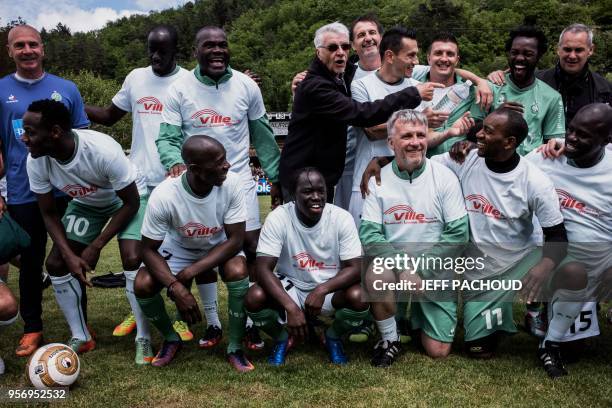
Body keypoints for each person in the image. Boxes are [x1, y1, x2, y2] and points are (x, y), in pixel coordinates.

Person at [156, 26, 281, 350]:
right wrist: (175, 162)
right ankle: (213, 323)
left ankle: (251, 322)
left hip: (238, 183)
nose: (217, 50)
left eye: (222, 45)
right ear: (195, 51)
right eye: (209, 45)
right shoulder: (179, 89)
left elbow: (264, 136)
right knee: (205, 249)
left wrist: (277, 176)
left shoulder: (246, 86)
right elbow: (168, 136)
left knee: (252, 249)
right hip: (199, 183)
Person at [85, 25, 195, 344]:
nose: (155, 55)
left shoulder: (188, 81)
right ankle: (140, 309)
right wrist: (72, 106)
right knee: (132, 255)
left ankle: (177, 317)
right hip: (138, 182)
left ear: (177, 50)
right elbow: (107, 116)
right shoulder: (135, 78)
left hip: (176, 182)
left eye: (162, 50)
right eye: (151, 49)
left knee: (176, 253)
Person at [432, 108, 567, 358]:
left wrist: (544, 266)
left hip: (518, 260)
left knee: (565, 268)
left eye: (488, 132)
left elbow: (558, 236)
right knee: (477, 349)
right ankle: (495, 311)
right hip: (480, 268)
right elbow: (422, 165)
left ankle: (541, 310)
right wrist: (383, 161)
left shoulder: (534, 181)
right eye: (482, 128)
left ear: (509, 142)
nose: (479, 134)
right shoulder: (467, 157)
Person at [23, 99, 148, 359]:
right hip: (87, 205)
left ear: (55, 132)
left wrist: (96, 245)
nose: (24, 138)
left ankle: (144, 338)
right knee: (57, 263)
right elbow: (48, 212)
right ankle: (82, 336)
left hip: (127, 199)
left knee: (132, 257)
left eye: (31, 132)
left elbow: (131, 202)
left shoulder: (101, 150)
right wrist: (69, 254)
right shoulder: (36, 160)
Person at [0, 25, 90, 357]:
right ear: (10, 51)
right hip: (23, 191)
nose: (27, 50)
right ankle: (32, 328)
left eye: (33, 44)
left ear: (43, 48)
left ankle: (81, 325)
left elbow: (82, 140)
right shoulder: (0, 92)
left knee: (72, 256)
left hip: (67, 190)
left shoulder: (66, 89)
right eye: (19, 45)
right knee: (32, 262)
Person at [279, 21, 442, 203]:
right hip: (304, 178)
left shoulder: (345, 72)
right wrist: (413, 95)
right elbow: (362, 114)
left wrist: (478, 80)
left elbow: (440, 67)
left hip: (327, 174)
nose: (340, 52)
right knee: (306, 229)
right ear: (318, 52)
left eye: (344, 46)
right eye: (332, 47)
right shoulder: (316, 86)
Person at [134, 136, 253, 372]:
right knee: (142, 282)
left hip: (219, 246)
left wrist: (190, 272)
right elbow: (146, 249)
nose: (227, 165)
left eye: (225, 158)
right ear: (196, 169)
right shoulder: (165, 194)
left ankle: (235, 347)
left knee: (238, 269)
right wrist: (175, 286)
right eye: (219, 162)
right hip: (179, 248)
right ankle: (171, 338)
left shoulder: (232, 182)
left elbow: (236, 240)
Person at [360, 109, 469, 366]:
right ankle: (390, 339)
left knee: (438, 351)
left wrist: (420, 269)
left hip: (434, 268)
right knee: (377, 273)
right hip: (397, 269)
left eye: (421, 135)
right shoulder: (378, 180)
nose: (415, 142)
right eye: (407, 136)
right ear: (391, 143)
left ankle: (413, 319)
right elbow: (370, 235)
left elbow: (458, 234)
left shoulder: (444, 177)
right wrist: (404, 267)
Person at [245, 167, 367, 365]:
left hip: (328, 288)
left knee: (360, 296)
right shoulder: (278, 218)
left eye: (321, 191)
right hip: (291, 287)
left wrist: (322, 290)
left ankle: (332, 336)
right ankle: (282, 338)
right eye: (308, 192)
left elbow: (356, 267)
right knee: (254, 297)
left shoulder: (341, 217)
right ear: (293, 194)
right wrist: (290, 307)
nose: (316, 197)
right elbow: (262, 269)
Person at [525, 103, 612, 378]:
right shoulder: (546, 158)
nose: (571, 138)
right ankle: (549, 341)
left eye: (583, 135)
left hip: (601, 263)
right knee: (573, 351)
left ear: (606, 140)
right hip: (560, 264)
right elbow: (506, 169)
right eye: (571, 130)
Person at [488, 24, 612, 127]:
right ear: (558, 49)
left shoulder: (605, 90)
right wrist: (489, 79)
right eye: (567, 49)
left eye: (579, 50)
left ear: (590, 50)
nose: (572, 56)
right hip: (541, 154)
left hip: (586, 155)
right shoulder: (535, 80)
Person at [471, 26, 566, 156]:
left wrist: (556, 144)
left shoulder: (552, 97)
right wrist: (497, 115)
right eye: (515, 52)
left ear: (539, 56)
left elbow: (555, 142)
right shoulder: (488, 88)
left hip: (532, 166)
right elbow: (470, 132)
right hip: (491, 163)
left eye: (528, 54)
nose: (520, 58)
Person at [412, 33, 492, 157]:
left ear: (457, 60)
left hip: (461, 164)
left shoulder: (472, 92)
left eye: (450, 54)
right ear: (428, 58)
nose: (444, 58)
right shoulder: (413, 86)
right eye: (438, 53)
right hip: (424, 164)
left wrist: (481, 81)